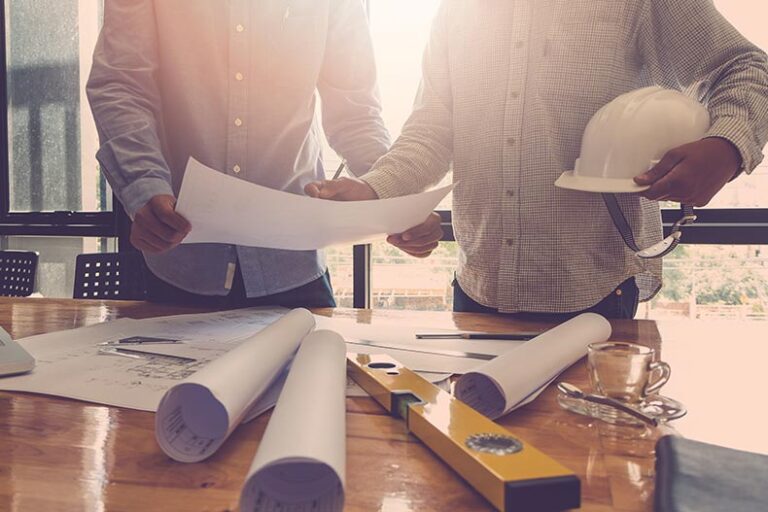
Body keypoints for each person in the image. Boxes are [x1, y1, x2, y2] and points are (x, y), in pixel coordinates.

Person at [306, 0, 768, 319]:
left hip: (597, 294)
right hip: (478, 290)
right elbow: (432, 129)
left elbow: (746, 68)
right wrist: (375, 190)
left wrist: (727, 148)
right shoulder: (458, 10)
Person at [87, 0, 390, 308]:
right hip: (179, 261)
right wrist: (143, 184)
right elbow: (121, 85)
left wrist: (393, 191)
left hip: (294, 262)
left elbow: (355, 114)